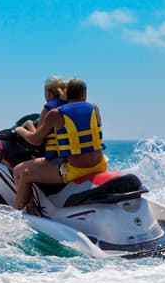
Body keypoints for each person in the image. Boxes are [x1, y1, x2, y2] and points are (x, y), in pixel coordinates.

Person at [13, 78, 107, 214]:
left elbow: (35, 140)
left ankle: (23, 215)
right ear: (84, 94)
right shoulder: (94, 108)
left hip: (75, 170)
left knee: (25, 174)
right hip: (100, 164)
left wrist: (21, 130)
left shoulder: (56, 113)